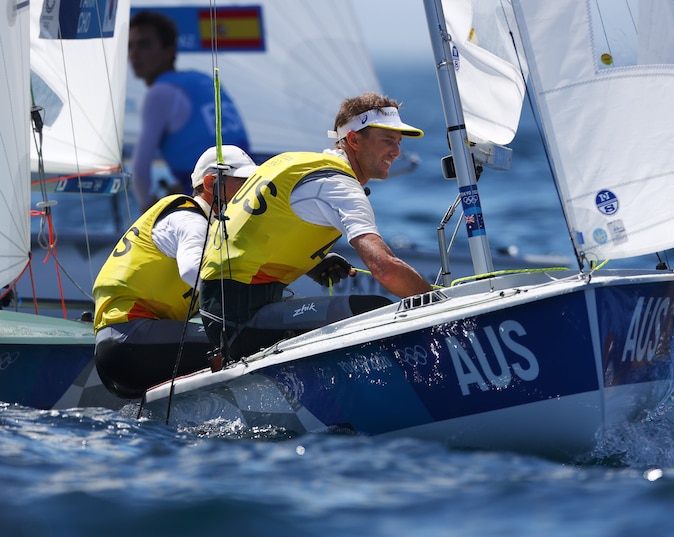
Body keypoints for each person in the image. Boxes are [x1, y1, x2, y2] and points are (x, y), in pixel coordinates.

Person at [199, 92, 434, 360]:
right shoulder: (340, 184)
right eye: (387, 141)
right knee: (373, 307)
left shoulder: (295, 164)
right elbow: (385, 269)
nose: (396, 151)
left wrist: (309, 262)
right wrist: (439, 305)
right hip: (240, 315)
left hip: (222, 306)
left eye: (399, 143)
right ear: (354, 139)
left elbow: (255, 231)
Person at [93, 145, 258, 399]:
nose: (251, 193)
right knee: (248, 337)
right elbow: (192, 268)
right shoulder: (190, 219)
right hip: (133, 341)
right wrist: (243, 304)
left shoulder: (209, 228)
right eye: (243, 184)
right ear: (211, 183)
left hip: (123, 347)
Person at [128, 10, 249, 213]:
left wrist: (147, 208)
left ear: (168, 51)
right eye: (130, 46)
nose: (134, 54)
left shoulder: (160, 93)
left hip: (215, 192)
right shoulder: (202, 79)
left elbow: (140, 168)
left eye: (144, 45)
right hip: (247, 182)